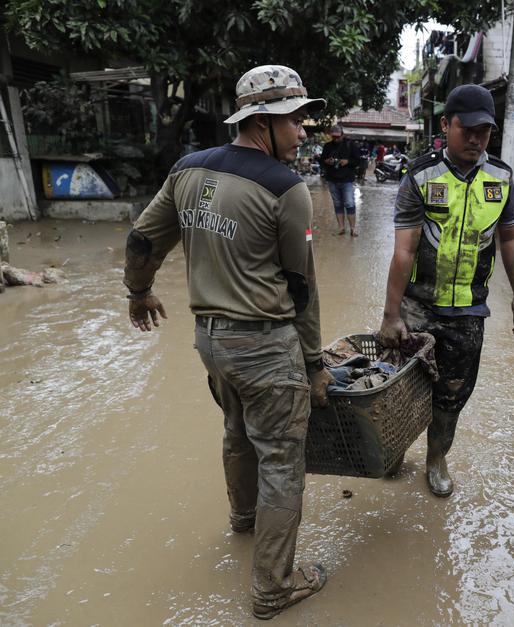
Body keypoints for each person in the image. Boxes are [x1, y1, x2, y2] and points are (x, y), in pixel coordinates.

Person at [122, 64, 333, 621]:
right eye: (297, 120)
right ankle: (271, 588)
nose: (304, 131)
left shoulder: (187, 170)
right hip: (265, 345)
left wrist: (137, 293)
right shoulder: (286, 189)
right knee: (284, 462)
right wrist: (314, 365)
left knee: (236, 432)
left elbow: (143, 238)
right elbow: (301, 289)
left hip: (210, 342)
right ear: (265, 122)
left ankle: (243, 522)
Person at [378, 84, 514, 497]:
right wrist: (391, 315)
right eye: (469, 130)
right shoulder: (421, 175)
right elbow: (404, 249)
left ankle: (436, 459)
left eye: (485, 131)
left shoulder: (501, 177)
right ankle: (392, 452)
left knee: (452, 394)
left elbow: (511, 237)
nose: (477, 140)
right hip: (419, 307)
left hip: (468, 313)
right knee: (400, 388)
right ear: (446, 125)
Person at [320, 125, 358, 236]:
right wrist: (327, 161)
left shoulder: (350, 145)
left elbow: (358, 161)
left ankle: (353, 229)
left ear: (342, 135)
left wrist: (347, 162)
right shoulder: (327, 146)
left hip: (347, 180)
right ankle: (341, 228)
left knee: (349, 203)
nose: (336, 139)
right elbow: (322, 160)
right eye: (334, 137)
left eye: (338, 137)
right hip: (332, 179)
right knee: (337, 204)